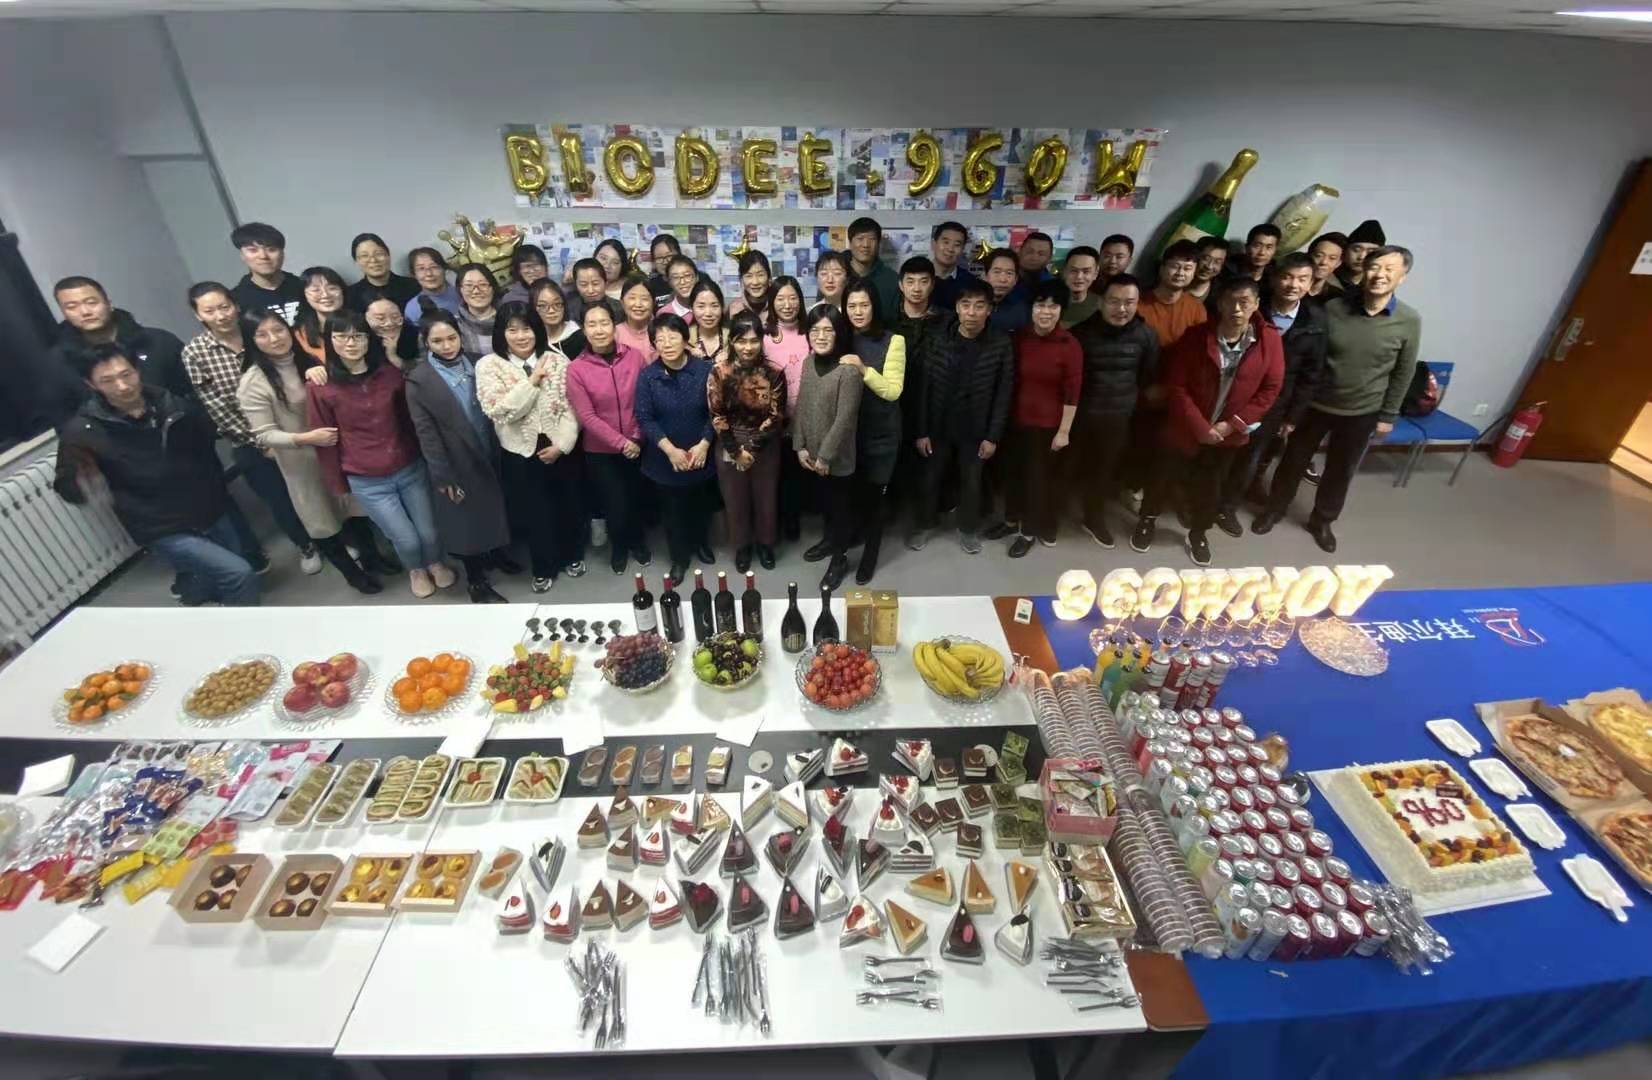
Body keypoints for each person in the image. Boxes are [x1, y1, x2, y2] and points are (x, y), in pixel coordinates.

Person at [55, 345, 259, 606]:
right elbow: (68, 487)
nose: (122, 386)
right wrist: (83, 484)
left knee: (221, 574)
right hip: (161, 525)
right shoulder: (83, 432)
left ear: (137, 370)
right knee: (238, 574)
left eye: (126, 375)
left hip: (210, 508)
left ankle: (204, 603)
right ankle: (243, 627)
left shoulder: (172, 405)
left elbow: (206, 441)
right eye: (108, 380)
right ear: (91, 384)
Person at [1254, 245, 1420, 553]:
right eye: (1374, 267)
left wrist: (1388, 415)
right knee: (1292, 461)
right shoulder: (1333, 309)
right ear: (1364, 270)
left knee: (1341, 469)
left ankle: (1322, 521)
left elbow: (1403, 371)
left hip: (1363, 409)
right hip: (1316, 404)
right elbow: (1310, 358)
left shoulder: (1409, 320)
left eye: (1389, 269)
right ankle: (1275, 509)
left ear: (1402, 277)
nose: (1379, 275)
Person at [1130, 276, 1283, 566]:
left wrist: (1232, 424)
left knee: (1210, 487)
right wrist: (1200, 427)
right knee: (1162, 477)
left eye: (1244, 302)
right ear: (1220, 304)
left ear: (1256, 304)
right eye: (1231, 302)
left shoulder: (1269, 340)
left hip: (1228, 434)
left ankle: (1198, 532)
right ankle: (1147, 520)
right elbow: (1177, 386)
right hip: (1184, 427)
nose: (1237, 309)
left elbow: (1271, 388)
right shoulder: (1196, 337)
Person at [235, 309, 387, 595]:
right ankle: (353, 575)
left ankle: (373, 558)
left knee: (354, 510)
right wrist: (306, 438)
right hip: (301, 463)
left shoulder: (309, 360)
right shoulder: (253, 382)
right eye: (262, 334)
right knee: (323, 522)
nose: (274, 339)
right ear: (251, 340)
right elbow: (264, 434)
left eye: (278, 330)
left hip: (337, 453)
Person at [308, 311, 452, 597]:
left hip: (409, 466)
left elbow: (412, 421)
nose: (351, 343)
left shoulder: (389, 374)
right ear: (330, 341)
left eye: (358, 336)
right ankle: (416, 569)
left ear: (369, 339)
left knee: (429, 531)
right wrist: (338, 485)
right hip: (367, 479)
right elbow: (325, 440)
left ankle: (435, 562)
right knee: (406, 538)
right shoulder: (320, 386)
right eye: (342, 336)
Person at [181, 282, 311, 573]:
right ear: (198, 315)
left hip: (294, 426)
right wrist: (262, 441)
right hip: (249, 440)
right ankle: (306, 545)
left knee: (310, 487)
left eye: (224, 307)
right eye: (210, 311)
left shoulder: (257, 332)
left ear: (235, 305)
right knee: (278, 497)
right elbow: (215, 406)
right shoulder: (195, 353)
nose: (220, 315)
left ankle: (333, 536)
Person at [405, 305, 519, 603]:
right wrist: (443, 476)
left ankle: (498, 555)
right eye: (437, 341)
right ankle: (476, 581)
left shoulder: (479, 362)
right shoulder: (419, 380)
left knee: (497, 508)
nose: (446, 346)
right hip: (456, 458)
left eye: (451, 338)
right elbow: (426, 433)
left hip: (491, 446)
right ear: (426, 342)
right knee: (468, 521)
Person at [475, 301, 589, 592]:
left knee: (568, 504)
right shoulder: (489, 366)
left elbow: (573, 406)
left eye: (526, 328)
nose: (521, 336)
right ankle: (543, 566)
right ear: (501, 333)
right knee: (534, 512)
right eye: (512, 330)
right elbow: (500, 410)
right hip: (520, 452)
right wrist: (532, 381)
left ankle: (572, 555)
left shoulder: (556, 360)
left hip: (559, 446)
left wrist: (563, 444)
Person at [1217, 252, 1327, 528]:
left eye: (1302, 279)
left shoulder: (1315, 320)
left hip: (1276, 403)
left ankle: (1227, 506)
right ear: (1275, 278)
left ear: (1311, 283)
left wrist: (1293, 416)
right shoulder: (1254, 307)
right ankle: (1205, 500)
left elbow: (1311, 374)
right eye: (1287, 277)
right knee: (1220, 451)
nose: (1293, 285)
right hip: (1234, 394)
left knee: (1250, 457)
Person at [907, 277, 1014, 555]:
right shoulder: (938, 338)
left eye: (979, 306)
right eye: (966, 304)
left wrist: (993, 436)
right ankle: (924, 524)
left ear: (989, 309)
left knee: (971, 482)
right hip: (938, 424)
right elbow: (923, 388)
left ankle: (967, 529)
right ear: (956, 307)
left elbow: (1003, 392)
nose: (972, 312)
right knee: (930, 478)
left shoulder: (1000, 343)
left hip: (976, 428)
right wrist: (921, 431)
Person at [1068, 273, 1159, 547]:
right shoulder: (1080, 334)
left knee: (1104, 471)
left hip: (1119, 418)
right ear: (1101, 302)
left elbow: (1147, 377)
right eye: (1114, 301)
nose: (1121, 309)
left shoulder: (1146, 336)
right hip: (1080, 417)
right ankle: (1050, 516)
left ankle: (1093, 518)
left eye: (1129, 302)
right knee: (1066, 468)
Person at [567, 301, 650, 574]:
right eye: (592, 324)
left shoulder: (634, 357)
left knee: (637, 497)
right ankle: (619, 547)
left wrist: (636, 437)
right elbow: (587, 416)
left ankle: (638, 542)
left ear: (615, 326)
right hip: (601, 451)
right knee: (614, 504)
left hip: (638, 443)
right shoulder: (576, 369)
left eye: (604, 323)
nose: (599, 330)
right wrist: (621, 443)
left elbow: (644, 400)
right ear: (584, 330)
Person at [41, 276, 190, 423]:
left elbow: (191, 394)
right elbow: (64, 419)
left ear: (108, 304)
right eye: (72, 307)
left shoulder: (159, 341)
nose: (85, 311)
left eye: (91, 302)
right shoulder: (58, 362)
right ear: (64, 313)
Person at [636, 312, 717, 582]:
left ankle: (702, 544)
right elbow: (645, 418)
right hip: (664, 458)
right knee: (673, 513)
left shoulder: (705, 370)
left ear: (685, 339)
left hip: (700, 453)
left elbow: (715, 412)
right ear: (654, 344)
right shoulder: (648, 376)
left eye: (672, 336)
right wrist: (670, 450)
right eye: (660, 339)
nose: (667, 343)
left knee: (700, 505)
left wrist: (704, 444)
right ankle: (679, 558)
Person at [1002, 280, 1080, 558]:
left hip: (1046, 426)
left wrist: (1064, 431)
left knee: (1036, 482)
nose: (1046, 311)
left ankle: (1029, 531)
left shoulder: (1069, 345)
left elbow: (1073, 392)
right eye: (1040, 305)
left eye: (1053, 306)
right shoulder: (1020, 337)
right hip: (1015, 421)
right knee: (1012, 475)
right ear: (1031, 308)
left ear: (1061, 310)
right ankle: (1010, 521)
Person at [709, 310, 787, 574]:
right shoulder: (719, 372)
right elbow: (717, 414)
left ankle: (765, 545)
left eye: (754, 340)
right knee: (735, 500)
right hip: (729, 442)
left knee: (767, 498)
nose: (748, 347)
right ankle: (742, 547)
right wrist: (735, 451)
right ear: (732, 341)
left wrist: (751, 450)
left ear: (762, 341)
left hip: (765, 443)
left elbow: (776, 415)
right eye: (741, 341)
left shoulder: (774, 372)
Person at [794, 303, 865, 589]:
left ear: (839, 334)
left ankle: (840, 558)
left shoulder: (849, 371)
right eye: (815, 330)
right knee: (825, 504)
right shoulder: (808, 362)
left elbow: (845, 419)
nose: (821, 336)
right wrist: (800, 446)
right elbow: (801, 405)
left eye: (828, 330)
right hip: (811, 455)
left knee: (841, 509)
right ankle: (829, 541)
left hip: (838, 458)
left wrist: (824, 457)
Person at [840, 280, 905, 585]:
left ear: (874, 306)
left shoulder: (894, 340)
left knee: (876, 499)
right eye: (851, 305)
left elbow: (893, 391)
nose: (857, 312)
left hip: (881, 433)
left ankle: (871, 553)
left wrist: (863, 369)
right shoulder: (841, 337)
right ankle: (851, 538)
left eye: (863, 305)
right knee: (851, 495)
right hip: (848, 435)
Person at [765, 276, 811, 542]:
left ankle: (796, 519)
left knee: (799, 473)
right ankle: (781, 521)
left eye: (793, 298)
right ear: (772, 302)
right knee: (779, 475)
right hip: (776, 419)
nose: (787, 304)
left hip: (807, 417)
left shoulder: (811, 332)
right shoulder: (764, 336)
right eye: (780, 298)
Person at [1136, 240, 1209, 348]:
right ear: (1162, 268)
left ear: (1194, 273)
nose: (1180, 273)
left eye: (1187, 268)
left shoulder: (1197, 308)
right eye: (1175, 266)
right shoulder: (1138, 304)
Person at [229, 222, 304, 324]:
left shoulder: (304, 287)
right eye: (253, 250)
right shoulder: (236, 300)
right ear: (242, 255)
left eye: (271, 249)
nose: (263, 256)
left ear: (282, 253)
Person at [345, 233, 419, 313]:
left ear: (388, 256)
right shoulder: (350, 295)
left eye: (378, 254)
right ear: (356, 262)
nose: (373, 260)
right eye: (364, 256)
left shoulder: (413, 286)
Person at [847, 217, 900, 318]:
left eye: (872, 239)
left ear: (879, 244)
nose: (866, 245)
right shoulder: (837, 276)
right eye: (860, 239)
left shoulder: (892, 280)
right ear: (850, 243)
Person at [293, 266, 348, 361]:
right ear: (304, 296)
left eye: (332, 288)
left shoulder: (361, 322)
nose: (325, 295)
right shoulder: (301, 334)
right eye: (316, 290)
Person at [529, 279, 587, 358]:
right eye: (543, 306)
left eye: (557, 304)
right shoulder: (532, 339)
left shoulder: (580, 337)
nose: (551, 310)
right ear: (533, 308)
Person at [452, 262, 500, 358]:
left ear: (492, 288)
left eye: (483, 284)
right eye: (469, 285)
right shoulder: (454, 324)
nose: (476, 291)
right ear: (460, 289)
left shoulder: (508, 318)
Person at [404, 246, 460, 322]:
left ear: (444, 269)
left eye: (434, 267)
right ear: (414, 274)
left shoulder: (462, 294)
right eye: (421, 268)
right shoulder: (413, 308)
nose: (429, 273)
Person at [928, 221, 975, 311]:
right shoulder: (918, 277)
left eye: (957, 245)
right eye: (946, 242)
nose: (950, 249)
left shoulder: (970, 282)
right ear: (933, 244)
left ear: (962, 249)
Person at [363, 294, 420, 367]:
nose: (389, 323)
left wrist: (392, 356)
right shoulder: (361, 338)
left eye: (395, 317)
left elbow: (422, 369)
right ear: (367, 318)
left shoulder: (417, 336)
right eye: (381, 319)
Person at [1332, 219, 1386, 295]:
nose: (1362, 257)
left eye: (1370, 252)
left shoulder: (1376, 291)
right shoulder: (1325, 278)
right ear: (1345, 251)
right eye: (1356, 250)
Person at [614, 273, 660, 362]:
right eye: (632, 298)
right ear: (622, 302)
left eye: (644, 299)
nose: (638, 304)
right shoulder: (614, 334)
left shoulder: (663, 330)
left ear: (653, 303)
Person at [983, 248, 1028, 334]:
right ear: (985, 275)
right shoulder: (969, 304)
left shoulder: (1021, 311)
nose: (1003, 279)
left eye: (1009, 273)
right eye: (997, 272)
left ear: (1016, 280)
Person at [685, 279, 729, 365]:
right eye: (701, 306)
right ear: (691, 308)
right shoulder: (684, 339)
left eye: (714, 306)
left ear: (722, 307)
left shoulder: (733, 338)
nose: (708, 313)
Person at [1059, 247, 1101, 329]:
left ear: (1095, 274)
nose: (1079, 276)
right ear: (1064, 271)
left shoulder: (1101, 306)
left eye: (1086, 271)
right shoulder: (1048, 301)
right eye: (1074, 270)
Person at [570, 257, 618, 325]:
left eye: (595, 284)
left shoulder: (619, 309)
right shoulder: (569, 309)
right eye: (584, 284)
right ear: (576, 285)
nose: (590, 290)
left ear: (606, 282)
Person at [729, 250, 772, 318]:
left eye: (760, 275)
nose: (755, 282)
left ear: (769, 277)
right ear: (741, 279)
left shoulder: (778, 305)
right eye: (749, 276)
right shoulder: (734, 309)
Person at [1306, 232, 1347, 303]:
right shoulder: (1291, 288)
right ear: (1309, 255)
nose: (1324, 262)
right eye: (1319, 256)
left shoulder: (1338, 297)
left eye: (1332, 258)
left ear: (1338, 263)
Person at [1186, 236, 1228, 304]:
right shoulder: (1174, 281)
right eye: (1206, 259)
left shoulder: (1219, 297)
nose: (1209, 266)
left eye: (1217, 262)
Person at [645, 233, 682, 308]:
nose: (665, 262)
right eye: (659, 258)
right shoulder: (650, 286)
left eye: (669, 256)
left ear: (679, 255)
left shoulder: (693, 280)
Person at [662, 254, 700, 319]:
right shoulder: (665, 313)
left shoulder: (709, 306)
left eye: (687, 275)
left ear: (696, 277)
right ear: (669, 282)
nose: (682, 282)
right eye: (676, 277)